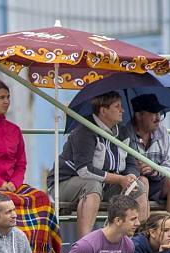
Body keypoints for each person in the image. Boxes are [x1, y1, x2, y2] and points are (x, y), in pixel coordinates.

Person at [0, 80, 62, 253]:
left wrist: (13, 183)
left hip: (13, 184)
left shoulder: (15, 130)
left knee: (42, 198)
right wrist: (1, 183)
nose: (7, 101)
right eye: (1, 97)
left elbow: (21, 163)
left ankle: (39, 250)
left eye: (8, 97)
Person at [51, 91, 149, 237]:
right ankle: (85, 245)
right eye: (117, 106)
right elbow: (84, 170)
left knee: (138, 186)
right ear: (103, 110)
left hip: (105, 186)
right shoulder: (84, 131)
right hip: (66, 184)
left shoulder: (123, 131)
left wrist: (129, 177)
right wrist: (120, 179)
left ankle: (139, 241)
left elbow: (132, 163)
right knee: (92, 185)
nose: (122, 110)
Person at [129, 94, 170, 253]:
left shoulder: (162, 132)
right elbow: (120, 165)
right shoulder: (124, 133)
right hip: (132, 187)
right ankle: (141, 240)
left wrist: (154, 169)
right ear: (139, 115)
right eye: (153, 112)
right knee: (142, 181)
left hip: (157, 184)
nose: (158, 117)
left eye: (160, 113)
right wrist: (136, 169)